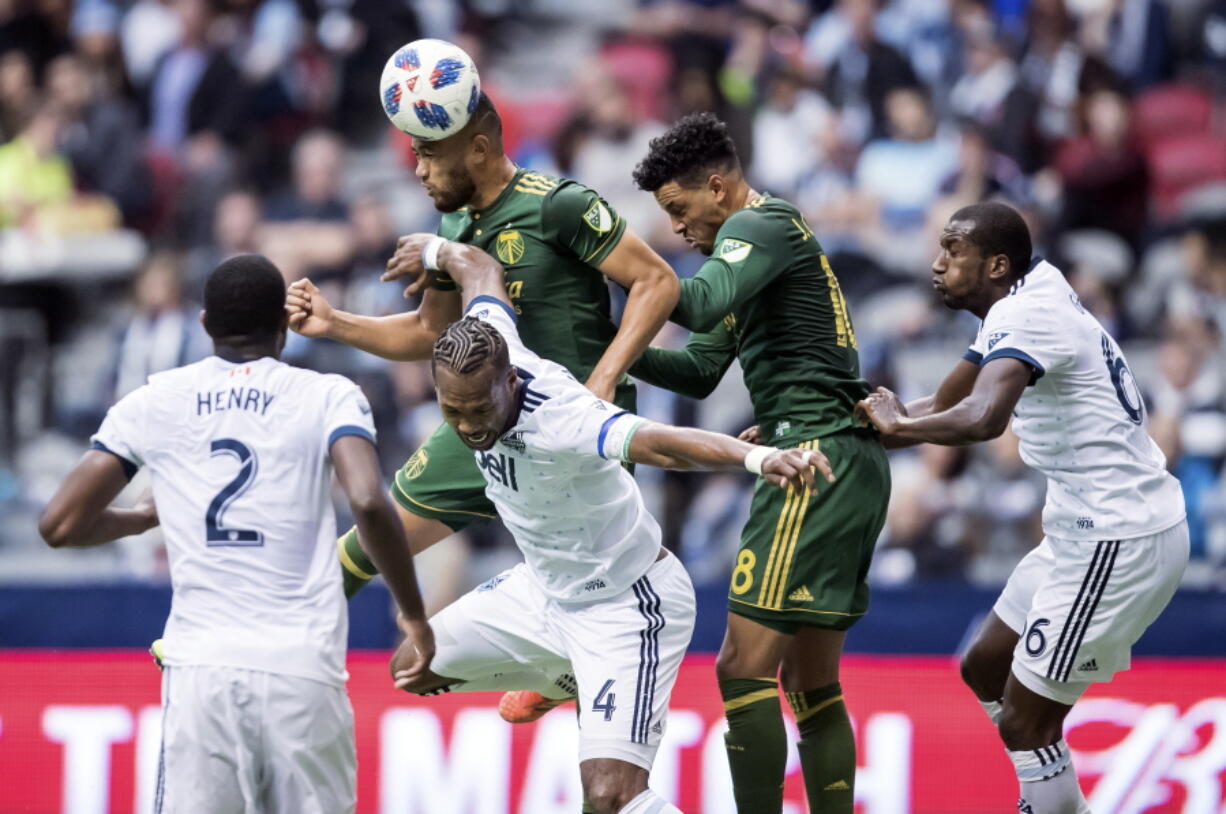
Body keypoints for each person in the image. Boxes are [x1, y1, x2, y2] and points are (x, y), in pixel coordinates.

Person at [382, 232, 835, 814]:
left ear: (511, 381)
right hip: (542, 592)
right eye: (453, 411)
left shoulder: (562, 416)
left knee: (609, 798)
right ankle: (566, 679)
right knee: (410, 669)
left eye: (479, 409)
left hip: (628, 605)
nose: (468, 426)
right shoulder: (492, 344)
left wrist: (757, 458)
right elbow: (478, 268)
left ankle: (578, 676)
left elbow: (663, 445)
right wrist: (430, 249)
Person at [38, 254, 434, 814]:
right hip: (301, 668)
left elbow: (60, 524)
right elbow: (369, 499)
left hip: (201, 671)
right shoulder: (328, 394)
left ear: (203, 324)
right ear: (284, 324)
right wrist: (413, 613)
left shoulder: (155, 399)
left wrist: (149, 516)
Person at [285, 92, 678, 616]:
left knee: (592, 604)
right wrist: (335, 322)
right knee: (367, 545)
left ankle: (556, 679)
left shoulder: (557, 203)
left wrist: (603, 383)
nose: (418, 170)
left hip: (571, 429)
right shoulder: (452, 228)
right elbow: (431, 331)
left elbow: (656, 280)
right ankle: (247, 637)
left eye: (428, 155)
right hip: (483, 415)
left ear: (476, 148)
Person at [857, 202, 1188, 814]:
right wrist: (875, 425)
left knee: (1025, 722)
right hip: (1080, 530)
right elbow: (957, 393)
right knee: (985, 668)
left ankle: (1044, 793)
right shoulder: (1031, 287)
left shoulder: (1028, 313)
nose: (936, 264)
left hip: (1117, 534)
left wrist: (901, 427)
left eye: (953, 251)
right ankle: (1051, 791)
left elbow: (984, 418)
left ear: (996, 264)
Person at [626, 112, 891, 814]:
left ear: (718, 187)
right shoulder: (757, 253)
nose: (678, 230)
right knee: (809, 684)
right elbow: (700, 369)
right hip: (844, 461)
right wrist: (606, 348)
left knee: (741, 669)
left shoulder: (757, 226)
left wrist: (626, 273)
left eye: (680, 211)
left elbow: (699, 298)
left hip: (809, 460)